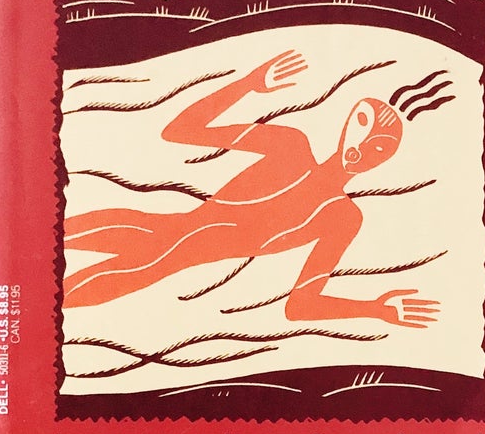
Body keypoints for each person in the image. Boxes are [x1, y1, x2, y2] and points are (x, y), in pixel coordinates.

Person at [63, 51, 440, 327]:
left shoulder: (341, 217)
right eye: (363, 123)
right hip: (155, 228)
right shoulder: (290, 145)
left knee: (147, 260)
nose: (363, 145)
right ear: (347, 124)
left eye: (380, 147)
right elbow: (179, 131)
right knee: (97, 244)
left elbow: (300, 306)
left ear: (385, 160)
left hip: (168, 250)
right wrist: (247, 85)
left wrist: (373, 309)